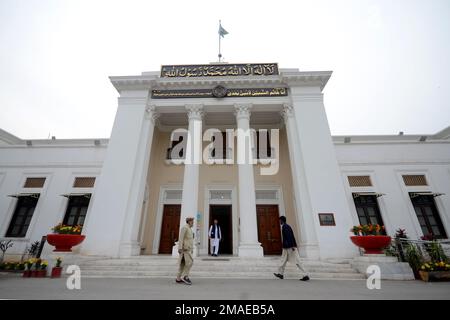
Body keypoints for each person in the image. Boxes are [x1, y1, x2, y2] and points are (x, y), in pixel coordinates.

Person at [274, 216, 310, 281]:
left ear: (282, 220)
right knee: (283, 260)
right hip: (286, 247)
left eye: (280, 220)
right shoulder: (285, 226)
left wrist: (293, 246)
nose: (279, 222)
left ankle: (305, 274)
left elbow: (289, 236)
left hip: (290, 247)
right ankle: (280, 274)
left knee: (297, 261)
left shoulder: (286, 227)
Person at [176, 217, 195, 285]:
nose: (193, 223)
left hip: (188, 249)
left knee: (183, 264)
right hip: (185, 249)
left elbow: (190, 240)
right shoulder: (185, 228)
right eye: (192, 221)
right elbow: (181, 238)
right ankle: (185, 276)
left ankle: (178, 278)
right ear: (189, 221)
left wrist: (192, 249)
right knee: (190, 262)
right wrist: (180, 248)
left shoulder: (189, 229)